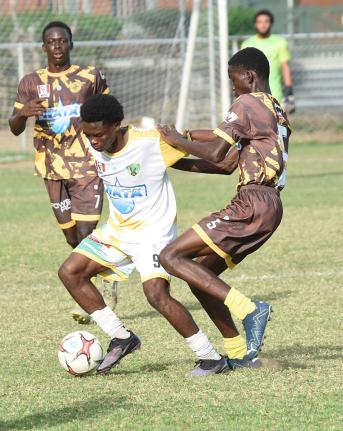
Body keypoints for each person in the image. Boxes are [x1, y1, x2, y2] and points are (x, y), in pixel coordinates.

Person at [58, 94, 242, 376]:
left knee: (156, 294)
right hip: (117, 232)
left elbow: (201, 146)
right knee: (70, 272)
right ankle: (121, 337)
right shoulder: (93, 144)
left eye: (99, 134)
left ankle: (210, 358)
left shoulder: (150, 142)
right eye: (88, 135)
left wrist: (234, 148)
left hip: (153, 235)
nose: (93, 141)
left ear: (116, 125)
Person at [158, 47, 291, 363]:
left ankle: (250, 309)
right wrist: (173, 161)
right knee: (201, 275)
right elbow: (227, 164)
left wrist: (176, 139)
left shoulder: (247, 102)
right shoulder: (274, 108)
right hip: (269, 205)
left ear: (248, 76)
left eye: (234, 81)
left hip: (253, 202)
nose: (233, 88)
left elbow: (217, 151)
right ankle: (238, 352)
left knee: (170, 256)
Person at [8, 21, 114, 323]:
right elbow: (14, 128)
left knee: (86, 233)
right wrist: (22, 113)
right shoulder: (30, 82)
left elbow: (109, 110)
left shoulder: (88, 77)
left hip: (86, 166)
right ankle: (105, 276)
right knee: (72, 240)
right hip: (51, 168)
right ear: (43, 47)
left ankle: (93, 299)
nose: (57, 46)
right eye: (51, 42)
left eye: (62, 41)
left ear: (71, 44)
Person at [241, 9, 295, 113]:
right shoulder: (246, 44)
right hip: (253, 96)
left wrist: (289, 92)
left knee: (274, 127)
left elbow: (285, 67)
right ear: (255, 24)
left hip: (274, 95)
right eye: (260, 22)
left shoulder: (280, 42)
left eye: (266, 21)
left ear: (271, 23)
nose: (263, 25)